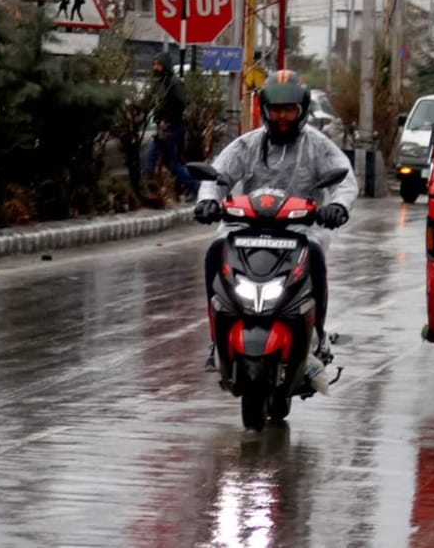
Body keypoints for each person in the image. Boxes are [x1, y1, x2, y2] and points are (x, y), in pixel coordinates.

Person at [194, 70, 358, 369]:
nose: (282, 117)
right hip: (246, 224)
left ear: (302, 111)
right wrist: (207, 200)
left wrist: (338, 206)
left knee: (316, 254)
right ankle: (217, 339)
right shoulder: (247, 144)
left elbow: (345, 178)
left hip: (301, 226)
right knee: (215, 251)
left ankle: (318, 333)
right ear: (265, 111)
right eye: (276, 110)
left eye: (289, 110)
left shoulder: (318, 145)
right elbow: (218, 175)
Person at [145, 52, 199, 198]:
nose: (156, 67)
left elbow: (181, 104)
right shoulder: (160, 83)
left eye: (159, 65)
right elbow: (151, 100)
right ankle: (196, 188)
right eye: (154, 64)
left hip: (170, 128)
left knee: (150, 157)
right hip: (163, 126)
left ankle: (147, 187)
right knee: (172, 164)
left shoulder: (174, 83)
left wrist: (167, 120)